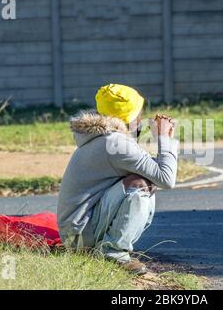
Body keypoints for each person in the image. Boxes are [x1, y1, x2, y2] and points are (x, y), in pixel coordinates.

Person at [57, 84, 178, 275]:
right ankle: (113, 254)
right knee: (140, 184)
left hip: (76, 232)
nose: (141, 118)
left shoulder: (106, 138)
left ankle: (109, 248)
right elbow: (166, 178)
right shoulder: (116, 143)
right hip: (79, 237)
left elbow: (154, 170)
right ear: (129, 117)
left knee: (145, 180)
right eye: (139, 113)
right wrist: (164, 139)